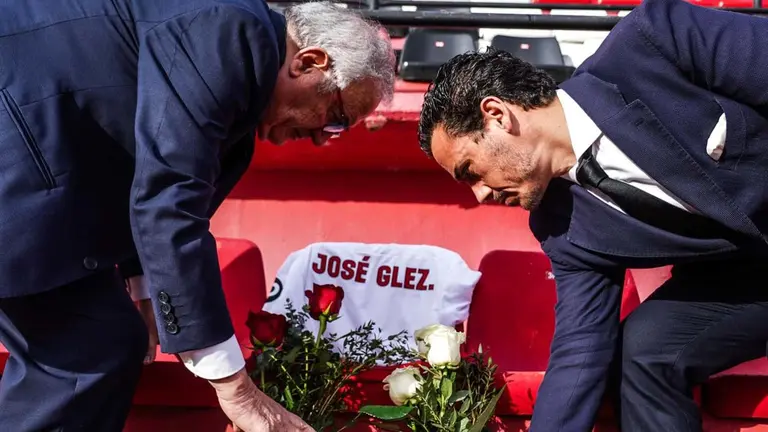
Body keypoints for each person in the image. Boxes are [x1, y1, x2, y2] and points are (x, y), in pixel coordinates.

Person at [0, 1, 394, 431]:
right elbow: (170, 201)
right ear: (308, 63)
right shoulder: (229, 34)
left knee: (102, 340)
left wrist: (144, 285)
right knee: (86, 347)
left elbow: (154, 171)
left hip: (37, 153)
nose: (322, 140)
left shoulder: (239, 58)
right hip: (19, 145)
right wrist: (236, 390)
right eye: (336, 119)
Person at [416, 0, 768, 430]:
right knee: (645, 348)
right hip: (753, 279)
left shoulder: (656, 40)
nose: (478, 194)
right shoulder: (558, 225)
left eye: (469, 171)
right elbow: (580, 351)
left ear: (496, 116)